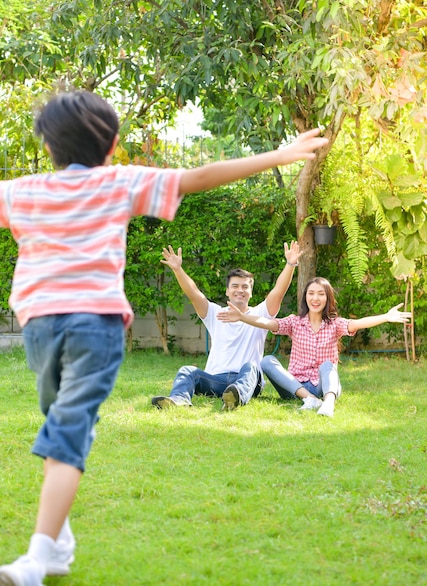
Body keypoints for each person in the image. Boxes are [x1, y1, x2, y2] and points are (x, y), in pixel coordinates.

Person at [0, 89, 327, 586]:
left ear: (47, 144)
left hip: (71, 326)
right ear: (111, 145)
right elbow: (199, 176)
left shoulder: (29, 190)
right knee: (58, 428)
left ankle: (37, 557)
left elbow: (195, 180)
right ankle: (59, 542)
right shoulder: (105, 182)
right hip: (51, 329)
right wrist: (278, 155)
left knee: (64, 429)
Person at [217, 276, 412, 417]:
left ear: (327, 298)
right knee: (267, 361)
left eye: (321, 294)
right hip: (294, 388)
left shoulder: (334, 324)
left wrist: (386, 317)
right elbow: (269, 323)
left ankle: (327, 404)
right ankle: (308, 399)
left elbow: (358, 323)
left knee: (328, 365)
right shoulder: (295, 322)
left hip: (323, 386)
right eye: (311, 293)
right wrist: (243, 317)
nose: (315, 298)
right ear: (306, 298)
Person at [152, 241, 303, 411]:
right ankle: (179, 400)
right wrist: (178, 269)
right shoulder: (215, 313)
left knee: (252, 365)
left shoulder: (261, 313)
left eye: (245, 286)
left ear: (251, 292)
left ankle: (236, 396)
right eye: (235, 286)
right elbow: (194, 294)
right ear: (227, 291)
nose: (240, 290)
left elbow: (278, 291)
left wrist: (290, 264)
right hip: (217, 380)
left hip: (248, 380)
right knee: (187, 370)